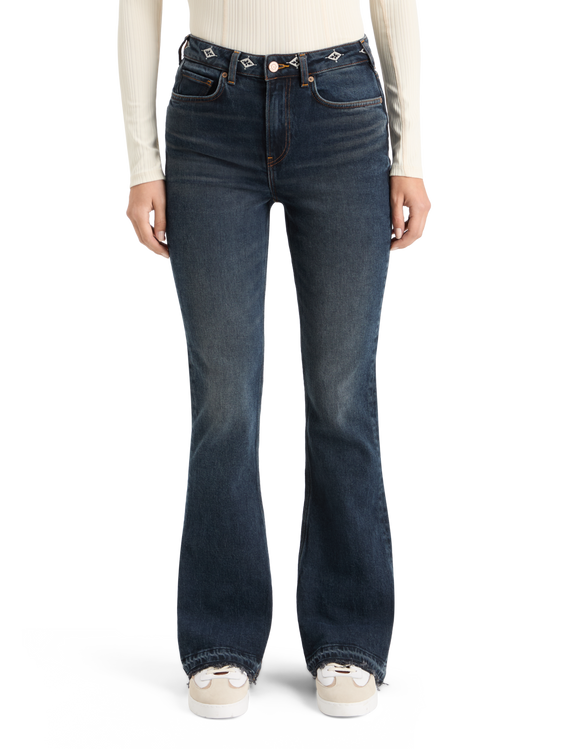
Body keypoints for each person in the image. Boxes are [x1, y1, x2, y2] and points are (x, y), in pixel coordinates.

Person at [116, 0, 433, 721]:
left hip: (342, 107)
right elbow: (138, 7)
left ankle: (349, 633)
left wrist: (410, 153)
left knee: (342, 392)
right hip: (209, 110)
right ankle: (220, 637)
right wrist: (141, 163)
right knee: (223, 397)